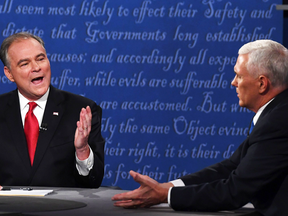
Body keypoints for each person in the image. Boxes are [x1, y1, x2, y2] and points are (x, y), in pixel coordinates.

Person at [112, 39, 288, 216]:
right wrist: (169, 186)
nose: (233, 82)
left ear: (262, 83)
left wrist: (164, 195)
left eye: (239, 75)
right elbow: (231, 167)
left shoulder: (278, 121)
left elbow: (235, 191)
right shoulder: (276, 112)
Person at [0, 32, 104, 188]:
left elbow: (93, 182)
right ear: (9, 73)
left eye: (40, 59)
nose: (36, 67)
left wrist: (82, 150)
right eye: (25, 63)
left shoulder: (80, 110)